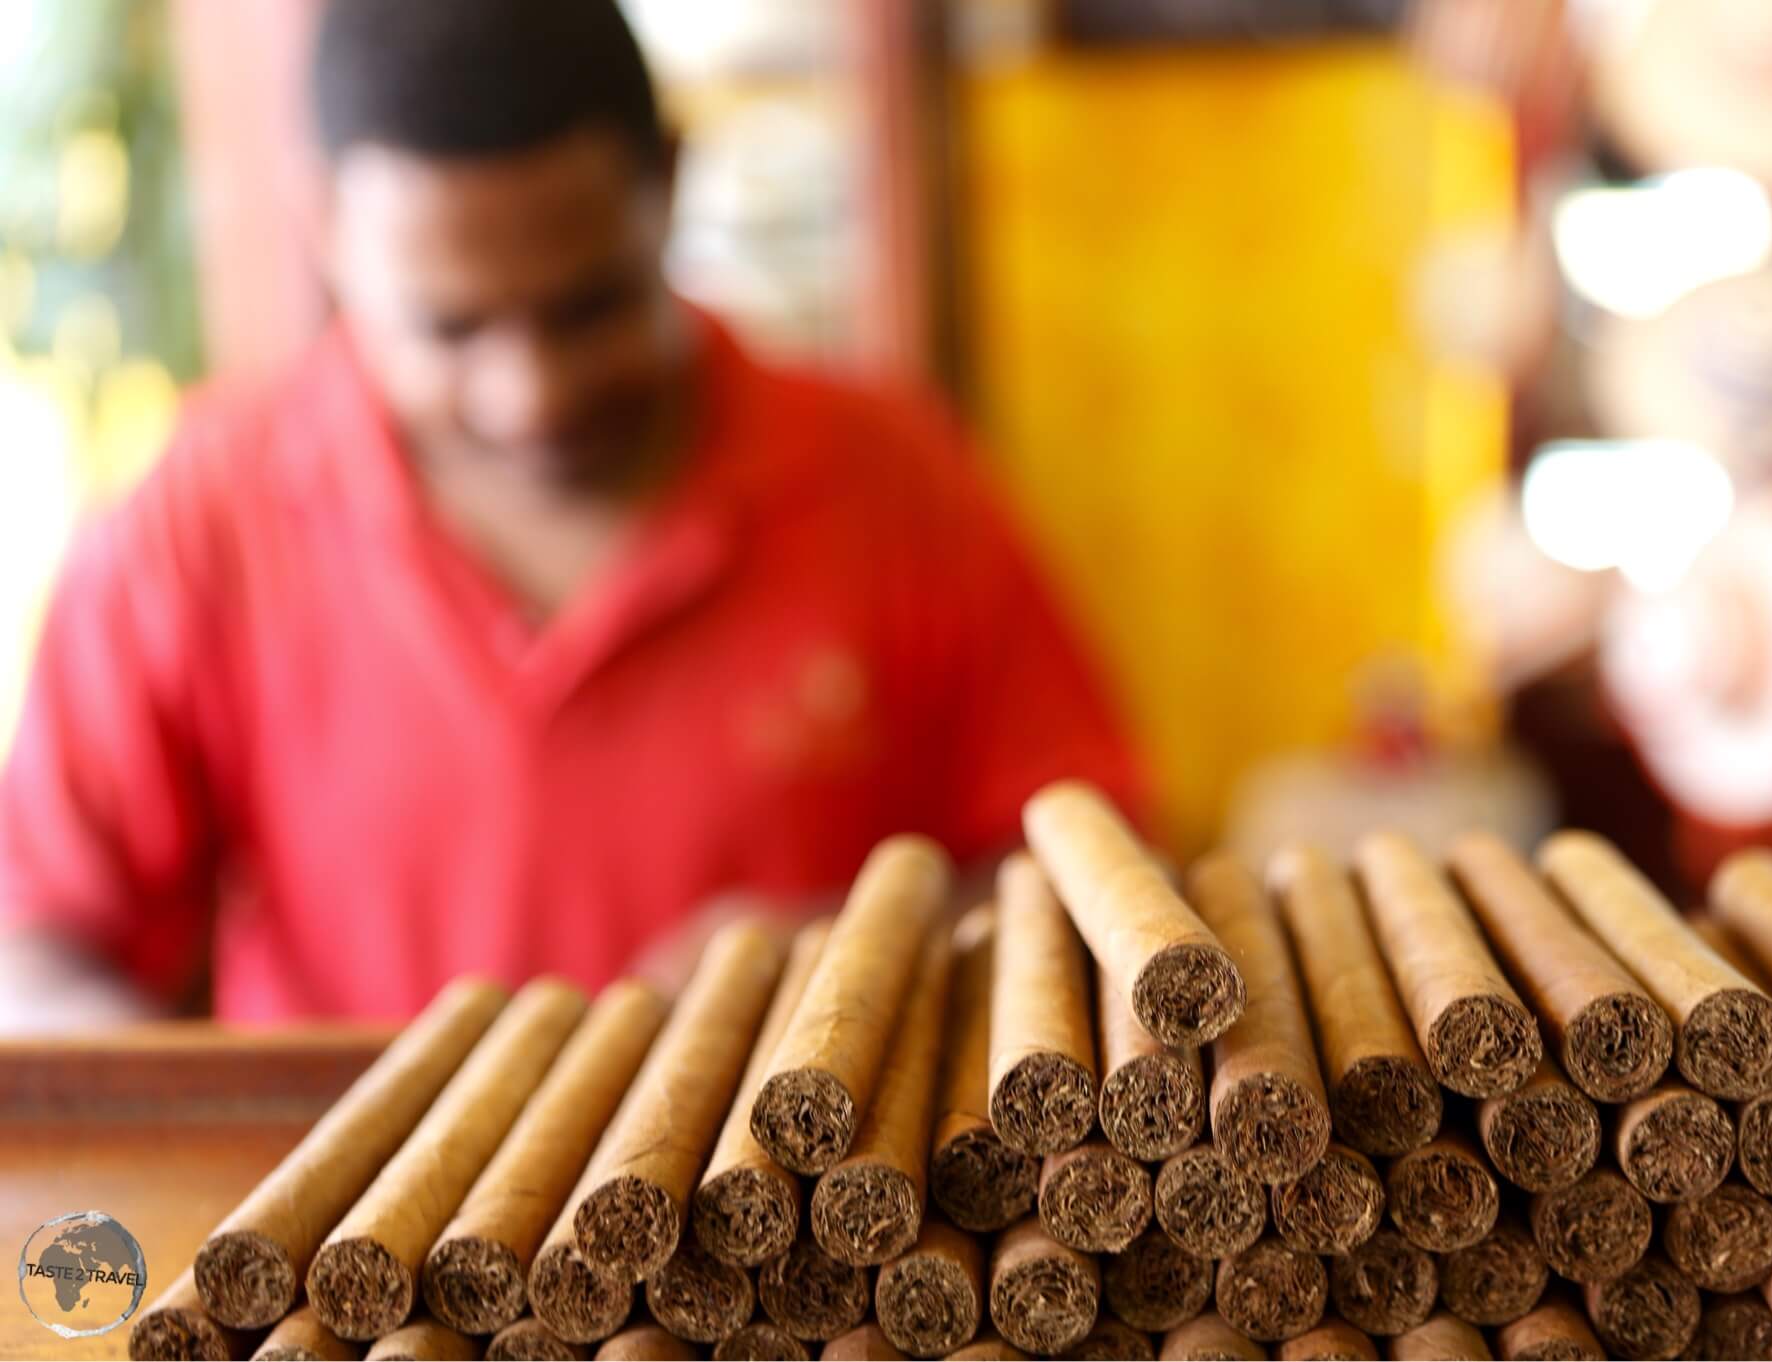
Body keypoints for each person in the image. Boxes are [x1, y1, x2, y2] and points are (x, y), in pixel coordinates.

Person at [0, 0, 1140, 1031]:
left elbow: (1100, 876)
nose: (529, 391)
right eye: (449, 329)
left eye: (590, 307)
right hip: (341, 1252)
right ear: (325, 228)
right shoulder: (197, 525)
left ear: (672, 183)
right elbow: (38, 953)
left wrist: (879, 951)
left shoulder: (890, 478)